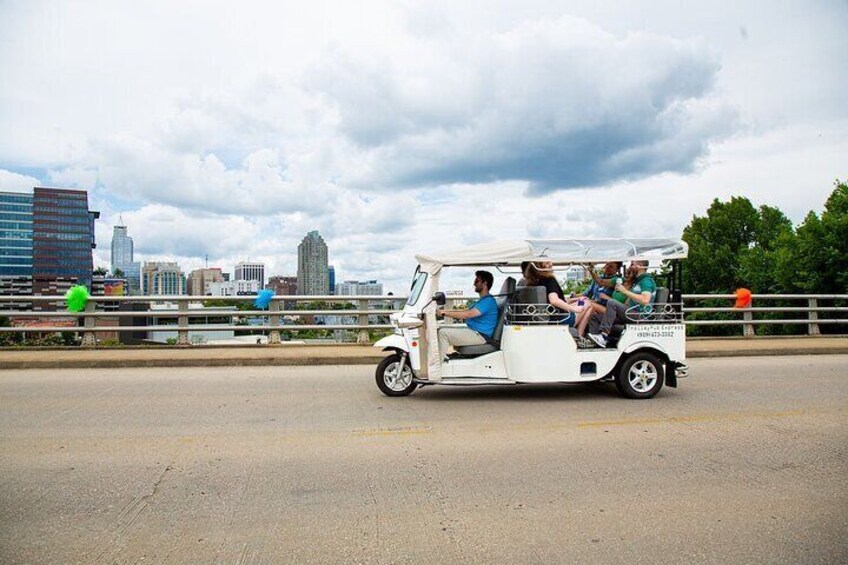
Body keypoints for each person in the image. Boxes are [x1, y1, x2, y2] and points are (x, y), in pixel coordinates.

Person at [588, 260, 657, 348]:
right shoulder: (638, 281)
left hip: (640, 315)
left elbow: (645, 300)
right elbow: (629, 300)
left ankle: (604, 336)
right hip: (630, 313)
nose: (629, 267)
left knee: (612, 302)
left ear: (640, 266)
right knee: (595, 317)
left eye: (632, 264)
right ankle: (594, 343)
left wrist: (624, 291)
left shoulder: (646, 281)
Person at [437, 270, 499, 358]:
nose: (474, 284)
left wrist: (444, 313)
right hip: (473, 331)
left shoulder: (488, 301)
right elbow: (465, 312)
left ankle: (438, 366)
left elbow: (468, 314)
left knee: (443, 333)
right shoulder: (482, 301)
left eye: (477, 281)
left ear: (485, 284)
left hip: (480, 335)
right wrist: (445, 311)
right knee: (440, 328)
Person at [574, 262, 625, 337]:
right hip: (594, 304)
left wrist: (591, 271)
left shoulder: (617, 280)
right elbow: (586, 293)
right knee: (581, 300)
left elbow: (601, 282)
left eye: (611, 267)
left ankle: (578, 332)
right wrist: (574, 296)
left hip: (608, 309)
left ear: (617, 270)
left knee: (589, 304)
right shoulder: (598, 278)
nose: (607, 267)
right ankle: (575, 318)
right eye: (607, 264)